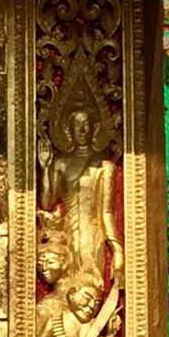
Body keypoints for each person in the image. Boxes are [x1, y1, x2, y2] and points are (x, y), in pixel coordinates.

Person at [38, 105, 123, 286]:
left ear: (95, 128)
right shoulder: (60, 163)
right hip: (67, 232)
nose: (82, 130)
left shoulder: (105, 166)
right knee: (66, 282)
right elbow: (46, 204)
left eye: (86, 124)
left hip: (93, 233)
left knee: (89, 282)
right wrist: (45, 168)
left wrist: (117, 249)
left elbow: (107, 213)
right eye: (77, 125)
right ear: (68, 130)